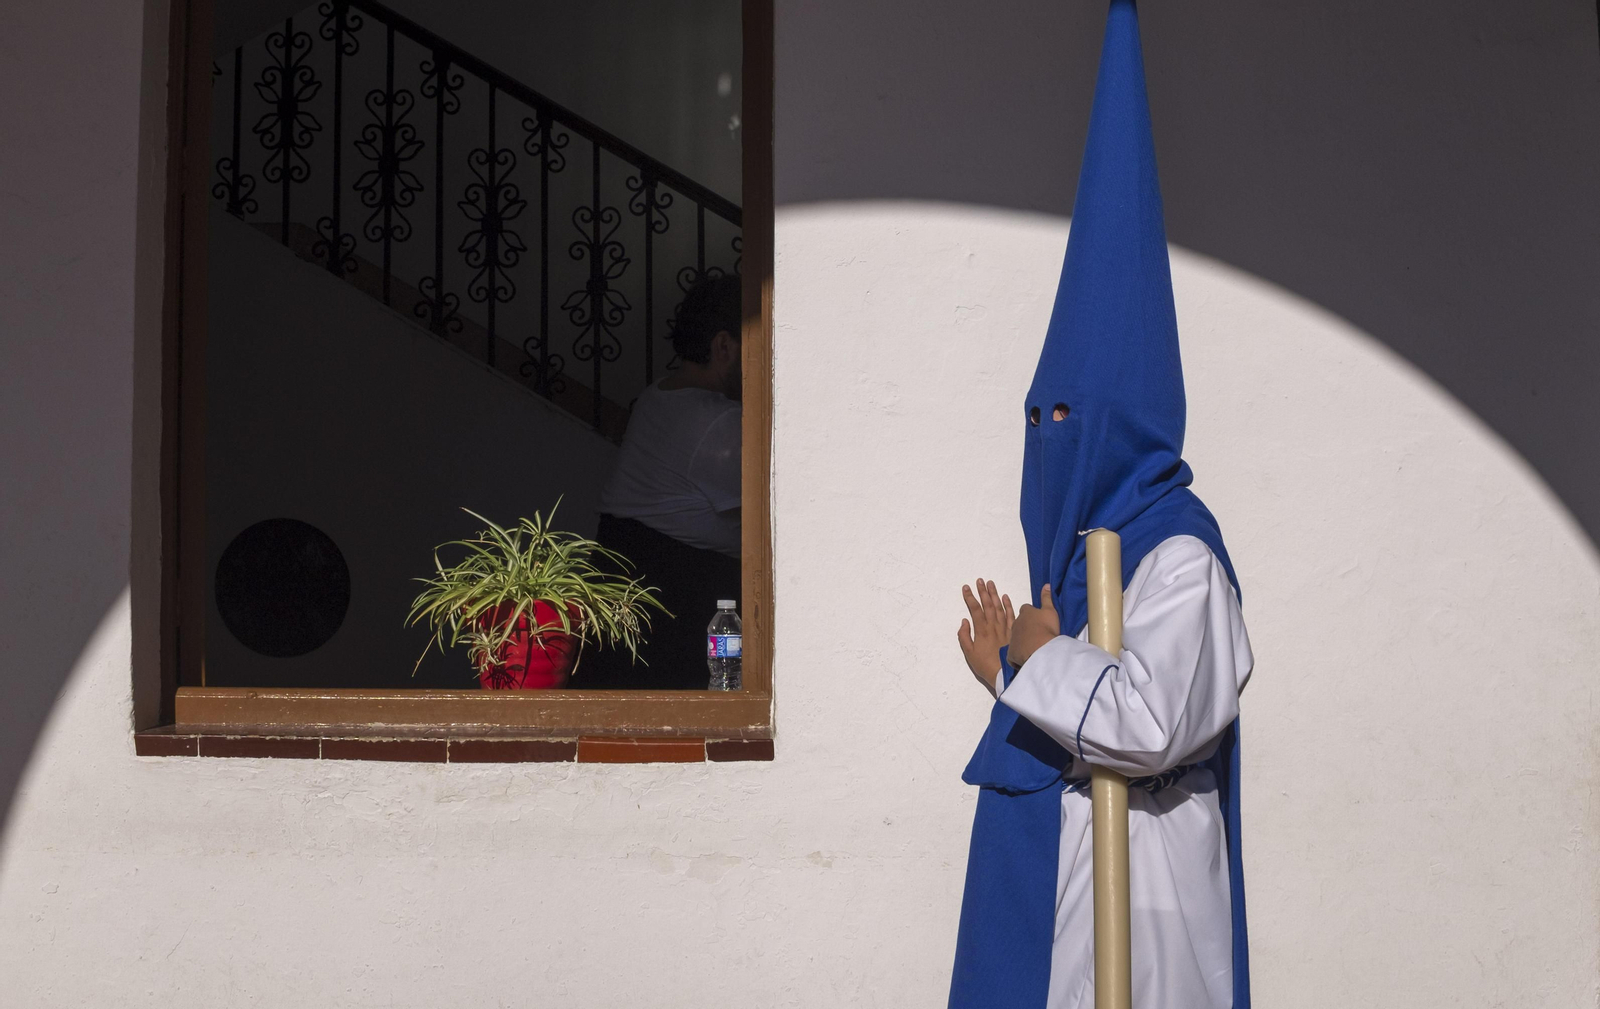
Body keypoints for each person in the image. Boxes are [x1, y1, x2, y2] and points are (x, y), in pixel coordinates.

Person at [947, 4, 1252, 1008]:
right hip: (1065, 901)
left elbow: (1156, 721)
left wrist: (1033, 658)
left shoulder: (1179, 557)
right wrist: (1015, 668)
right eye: (1041, 416)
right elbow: (1083, 710)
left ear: (1120, 421)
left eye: (1069, 414)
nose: (1053, 436)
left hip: (1145, 907)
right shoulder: (1080, 561)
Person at [578, 273, 742, 689]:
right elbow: (776, 511)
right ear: (724, 346)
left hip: (621, 578)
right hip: (671, 600)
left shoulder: (658, 394)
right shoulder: (718, 420)